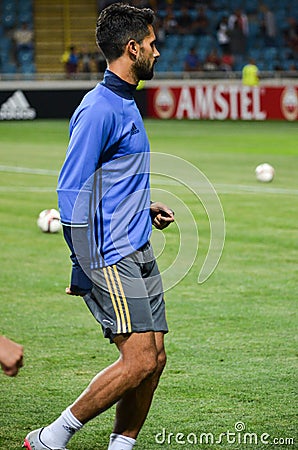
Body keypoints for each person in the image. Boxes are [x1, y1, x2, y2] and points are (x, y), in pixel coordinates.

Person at [23, 3, 174, 450]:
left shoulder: (124, 100)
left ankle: (120, 446)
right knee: (139, 359)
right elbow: (71, 192)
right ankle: (51, 438)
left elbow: (108, 179)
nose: (157, 52)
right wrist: (80, 264)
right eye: (151, 44)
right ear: (132, 48)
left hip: (137, 244)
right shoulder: (98, 108)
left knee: (156, 359)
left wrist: (141, 207)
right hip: (109, 254)